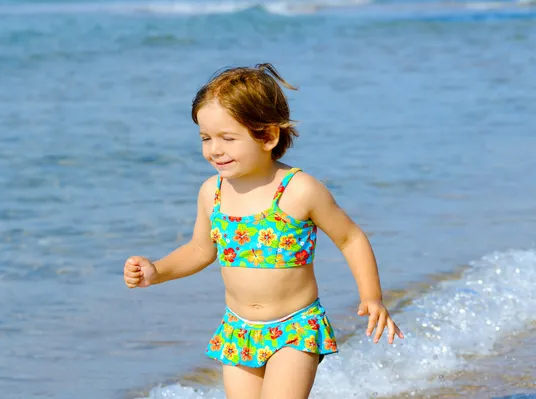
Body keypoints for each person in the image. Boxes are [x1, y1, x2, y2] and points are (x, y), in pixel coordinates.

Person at [123, 63, 404, 399]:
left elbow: (350, 238)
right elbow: (200, 250)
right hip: (238, 330)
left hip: (294, 328)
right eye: (206, 138)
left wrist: (371, 296)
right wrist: (157, 270)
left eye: (228, 138)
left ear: (268, 136)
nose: (214, 149)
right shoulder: (212, 192)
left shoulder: (298, 190)